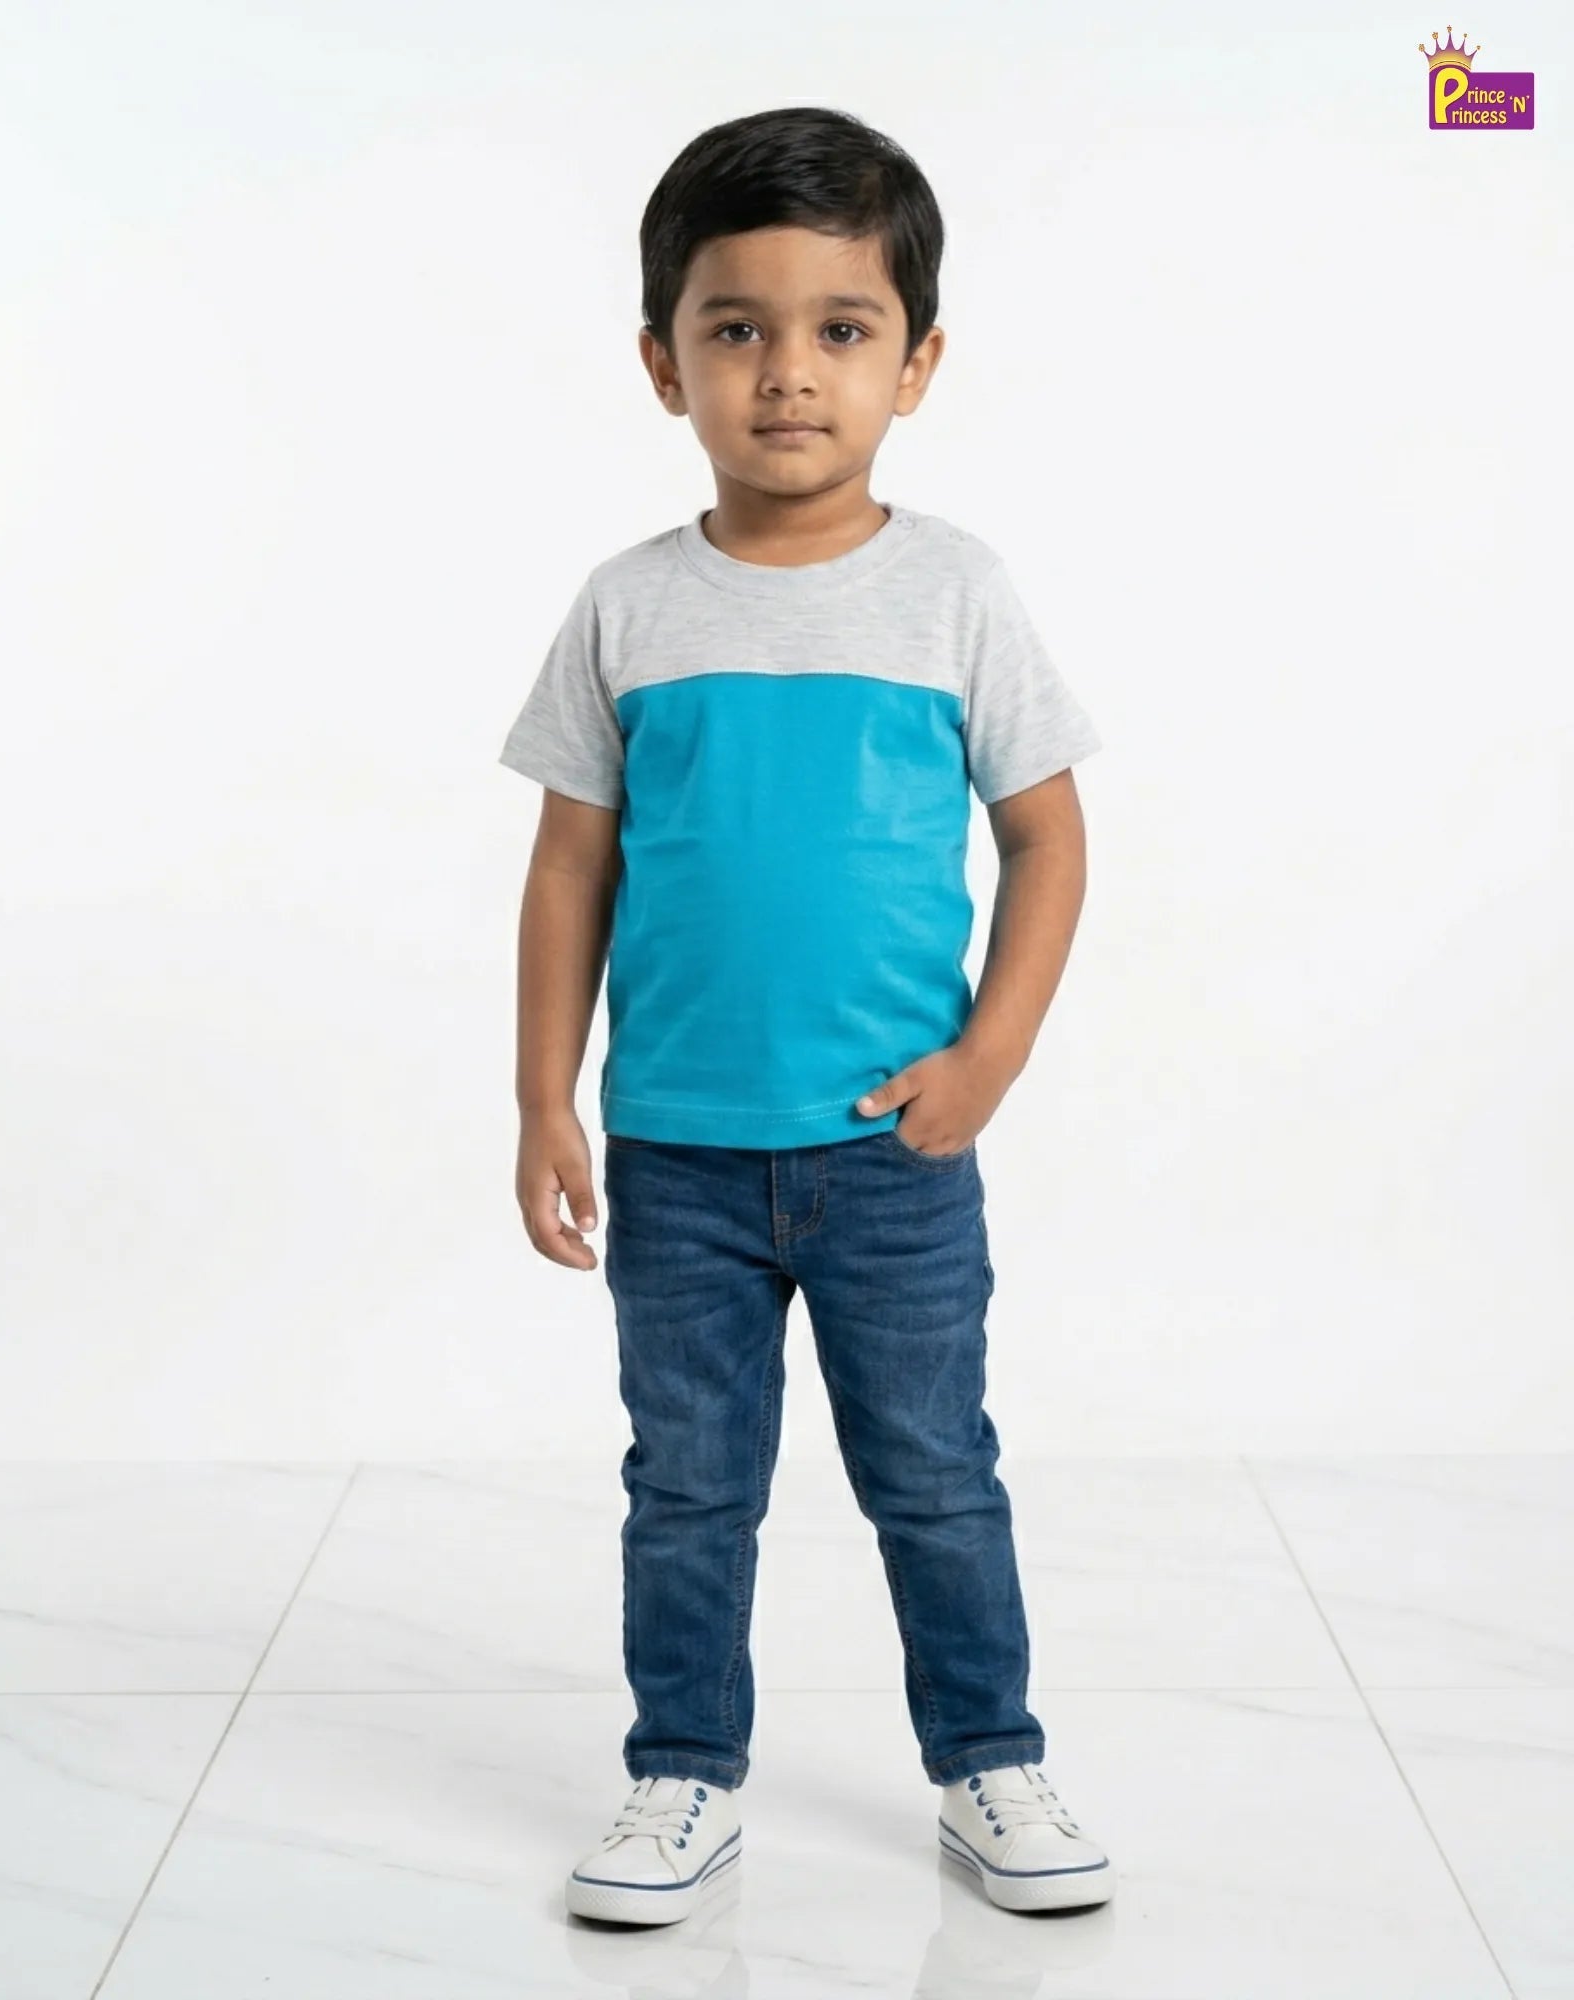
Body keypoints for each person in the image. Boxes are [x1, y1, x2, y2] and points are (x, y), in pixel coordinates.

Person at [498, 105, 1116, 1927]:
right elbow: (565, 873)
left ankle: (988, 1760)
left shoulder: (954, 592)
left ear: (916, 365)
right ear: (661, 360)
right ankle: (681, 1775)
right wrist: (547, 1101)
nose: (787, 374)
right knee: (689, 1491)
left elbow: (1048, 834)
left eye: (841, 330)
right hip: (678, 1152)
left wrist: (987, 1058)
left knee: (935, 1475)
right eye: (737, 328)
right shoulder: (628, 607)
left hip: (890, 1148)